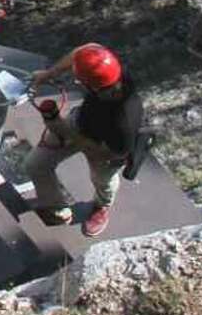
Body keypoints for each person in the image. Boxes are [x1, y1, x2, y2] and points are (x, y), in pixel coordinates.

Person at [21, 43, 147, 238]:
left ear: (92, 85)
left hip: (107, 148)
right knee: (36, 164)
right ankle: (56, 208)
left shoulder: (125, 121)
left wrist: (63, 130)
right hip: (81, 123)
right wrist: (48, 74)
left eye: (79, 80)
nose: (76, 81)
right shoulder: (107, 70)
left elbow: (106, 152)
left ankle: (101, 207)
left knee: (102, 180)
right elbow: (84, 51)